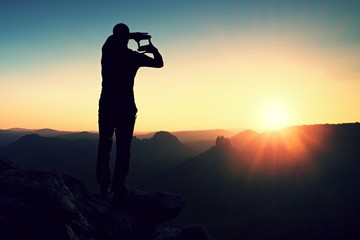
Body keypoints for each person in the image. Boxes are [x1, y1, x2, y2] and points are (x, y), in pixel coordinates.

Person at [96, 23, 164, 199]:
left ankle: (104, 187)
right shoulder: (132, 57)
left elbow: (112, 38)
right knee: (124, 149)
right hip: (126, 106)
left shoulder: (107, 51)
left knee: (104, 145)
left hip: (107, 105)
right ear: (126, 38)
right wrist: (152, 48)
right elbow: (159, 63)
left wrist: (130, 35)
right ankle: (119, 187)